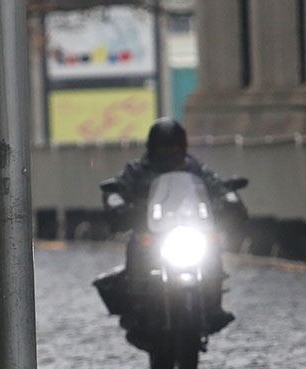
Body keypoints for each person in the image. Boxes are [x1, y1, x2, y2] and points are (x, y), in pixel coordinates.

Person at [104, 117, 245, 335]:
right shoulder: (137, 170)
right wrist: (118, 203)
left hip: (189, 228)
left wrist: (228, 198)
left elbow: (215, 185)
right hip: (153, 232)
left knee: (211, 247)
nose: (169, 153)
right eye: (163, 148)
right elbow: (119, 189)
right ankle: (137, 303)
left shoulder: (195, 168)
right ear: (152, 149)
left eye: (174, 147)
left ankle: (213, 303)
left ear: (183, 148)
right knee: (137, 249)